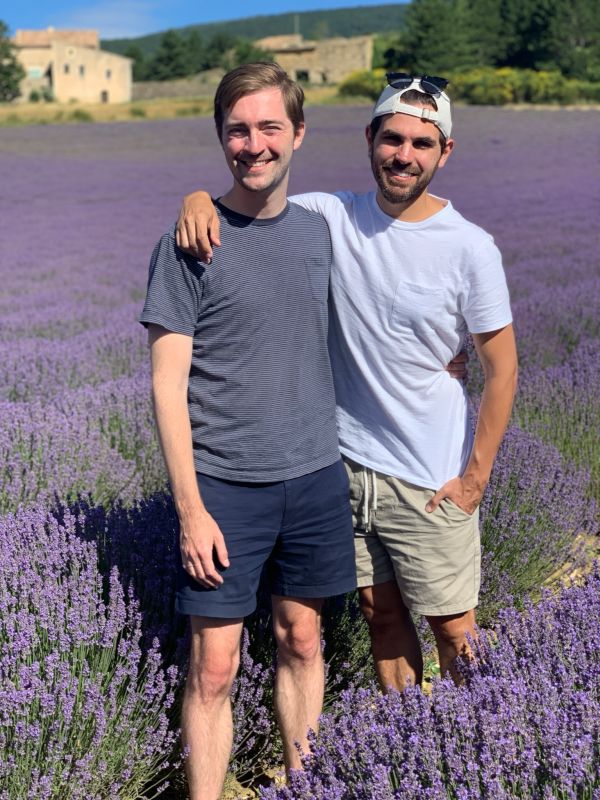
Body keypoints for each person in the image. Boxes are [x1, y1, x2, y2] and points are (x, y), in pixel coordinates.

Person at [176, 72, 518, 691]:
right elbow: (254, 197)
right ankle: (410, 744)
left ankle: (484, 746)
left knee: (455, 627)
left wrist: (474, 480)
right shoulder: (331, 215)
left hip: (428, 475)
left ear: (445, 151)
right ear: (370, 138)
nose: (403, 156)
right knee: (378, 614)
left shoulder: (471, 247)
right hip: (345, 467)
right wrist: (197, 196)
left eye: (421, 143)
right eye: (392, 139)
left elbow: (502, 368)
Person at [139, 62, 358, 800]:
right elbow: (167, 385)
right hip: (225, 487)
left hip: (316, 476)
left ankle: (307, 785)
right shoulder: (187, 243)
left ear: (299, 133)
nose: (254, 144)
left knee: (303, 640)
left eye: (270, 127)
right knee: (214, 667)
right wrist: (190, 510)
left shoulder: (324, 231)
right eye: (238, 129)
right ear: (220, 137)